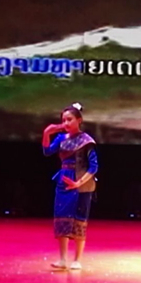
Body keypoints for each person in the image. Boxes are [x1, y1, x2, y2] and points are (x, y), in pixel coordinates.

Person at [42, 103, 98, 270]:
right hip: (64, 181)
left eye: (69, 119)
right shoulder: (61, 138)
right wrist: (46, 133)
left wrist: (78, 183)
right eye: (63, 120)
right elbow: (47, 151)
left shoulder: (86, 141)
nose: (66, 123)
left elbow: (94, 167)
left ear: (79, 120)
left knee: (80, 219)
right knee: (62, 217)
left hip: (81, 183)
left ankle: (77, 259)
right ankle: (62, 259)